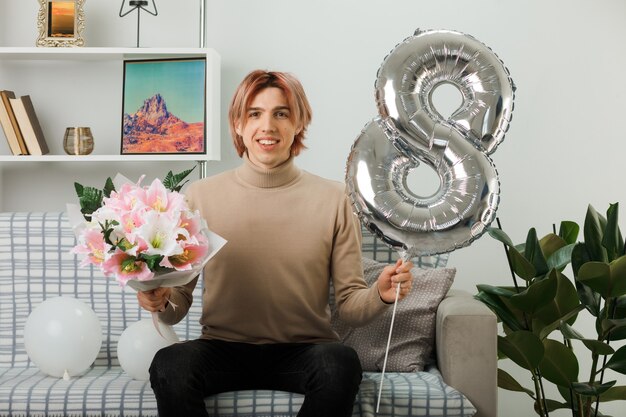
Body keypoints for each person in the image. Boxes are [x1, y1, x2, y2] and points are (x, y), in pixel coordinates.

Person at [137, 69, 414, 417]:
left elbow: (349, 304)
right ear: (238, 124)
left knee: (340, 362)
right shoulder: (199, 197)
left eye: (281, 113)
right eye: (254, 114)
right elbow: (179, 304)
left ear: (299, 124)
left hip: (305, 351)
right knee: (169, 363)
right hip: (221, 349)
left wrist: (381, 294)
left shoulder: (335, 198)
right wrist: (160, 299)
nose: (267, 126)